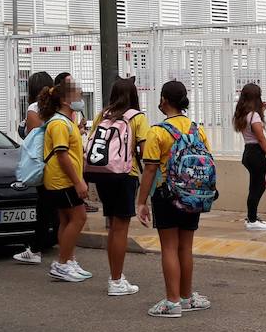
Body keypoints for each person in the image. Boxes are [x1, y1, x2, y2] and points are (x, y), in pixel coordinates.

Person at [137, 80, 215, 318]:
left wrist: (141, 202)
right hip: (193, 195)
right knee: (186, 247)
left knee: (169, 247)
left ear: (164, 100)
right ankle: (186, 296)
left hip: (166, 195)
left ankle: (172, 303)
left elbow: (150, 169)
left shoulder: (157, 132)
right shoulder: (196, 129)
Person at [86, 76, 148, 295]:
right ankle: (115, 280)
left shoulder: (102, 115)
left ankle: (116, 276)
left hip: (102, 174)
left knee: (113, 226)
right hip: (124, 175)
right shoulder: (137, 118)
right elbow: (144, 150)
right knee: (121, 228)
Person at [38, 79, 90, 283]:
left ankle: (68, 260)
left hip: (62, 180)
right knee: (79, 218)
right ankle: (61, 263)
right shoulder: (59, 123)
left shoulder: (65, 121)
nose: (80, 98)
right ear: (66, 100)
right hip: (63, 181)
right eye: (77, 95)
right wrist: (78, 182)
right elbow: (62, 155)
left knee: (67, 220)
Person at [13, 70, 55, 265]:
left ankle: (36, 248)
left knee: (44, 205)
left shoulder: (34, 108)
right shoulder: (58, 106)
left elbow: (32, 137)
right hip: (58, 159)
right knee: (56, 205)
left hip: (42, 162)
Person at [233, 82, 266, 231]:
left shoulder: (244, 114)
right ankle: (251, 220)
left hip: (248, 152)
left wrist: (261, 111)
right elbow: (261, 138)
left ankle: (252, 216)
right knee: (259, 187)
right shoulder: (254, 115)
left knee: (254, 186)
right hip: (256, 153)